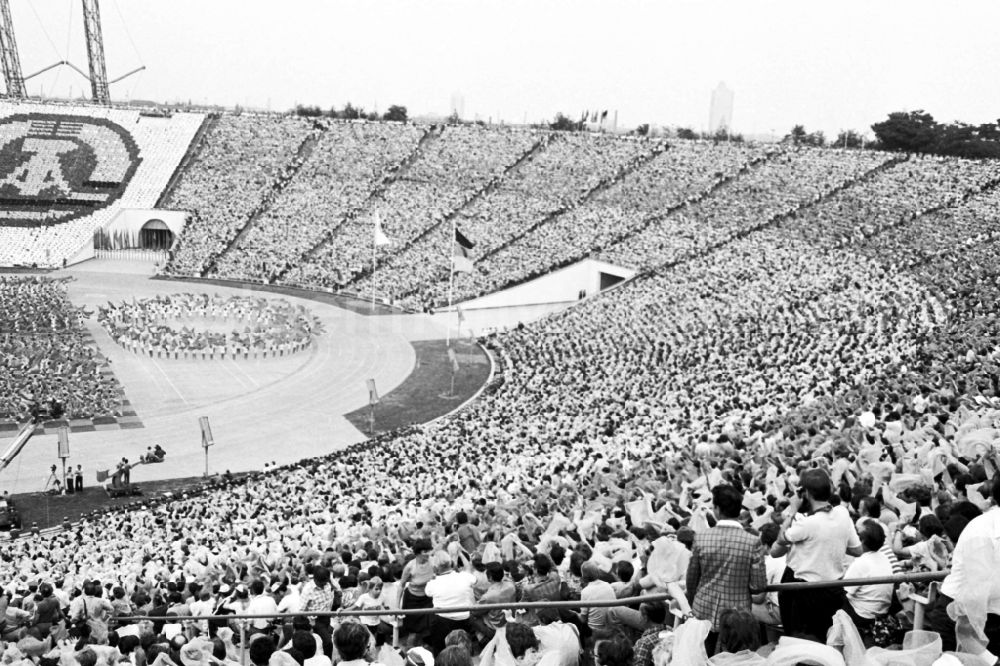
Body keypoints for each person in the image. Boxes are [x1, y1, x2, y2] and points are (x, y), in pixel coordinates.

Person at [771, 469, 862, 642]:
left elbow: (781, 538)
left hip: (802, 590)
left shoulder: (806, 524)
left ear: (805, 494)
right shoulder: (842, 513)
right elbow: (857, 550)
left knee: (800, 641)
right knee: (828, 639)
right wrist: (830, 542)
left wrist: (792, 510)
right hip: (832, 588)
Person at [686, 484, 766, 653]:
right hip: (738, 612)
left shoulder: (701, 538)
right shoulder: (752, 541)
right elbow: (758, 586)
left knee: (703, 655)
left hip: (703, 607)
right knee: (735, 656)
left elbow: (691, 580)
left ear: (717, 509)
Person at [841, 519, 894, 643]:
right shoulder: (883, 557)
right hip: (880, 613)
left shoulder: (861, 562)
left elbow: (845, 592)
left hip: (863, 615)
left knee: (830, 597)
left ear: (862, 541)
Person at [425, 556, 476, 653]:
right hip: (463, 618)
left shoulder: (433, 583)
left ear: (435, 568)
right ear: (451, 564)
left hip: (443, 620)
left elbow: (428, 592)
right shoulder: (464, 576)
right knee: (463, 649)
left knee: (441, 650)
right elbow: (474, 580)